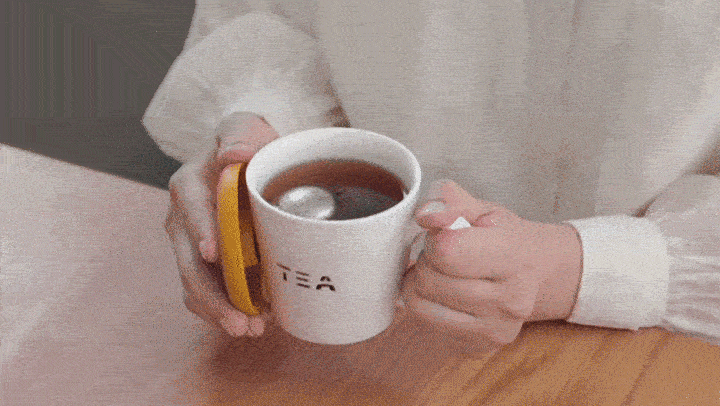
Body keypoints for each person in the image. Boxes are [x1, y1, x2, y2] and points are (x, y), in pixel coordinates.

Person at [143, 1, 720, 345]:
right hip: (362, 355)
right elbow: (275, 16)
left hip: (661, 346)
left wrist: (583, 269)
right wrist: (255, 127)